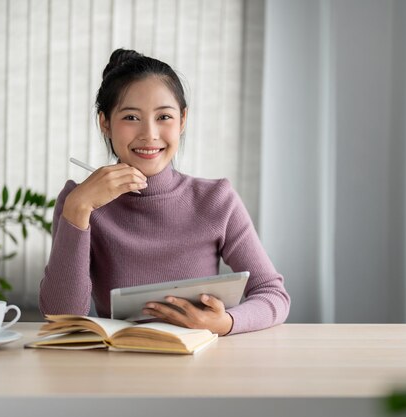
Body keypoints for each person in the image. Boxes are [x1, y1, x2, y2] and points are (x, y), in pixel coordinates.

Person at [39, 48, 290, 335]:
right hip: (119, 365)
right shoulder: (79, 201)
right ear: (105, 123)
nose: (150, 134)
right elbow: (60, 317)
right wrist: (78, 210)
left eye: (164, 117)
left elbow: (273, 294)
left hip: (200, 368)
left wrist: (225, 322)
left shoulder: (216, 199)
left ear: (182, 120)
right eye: (131, 117)